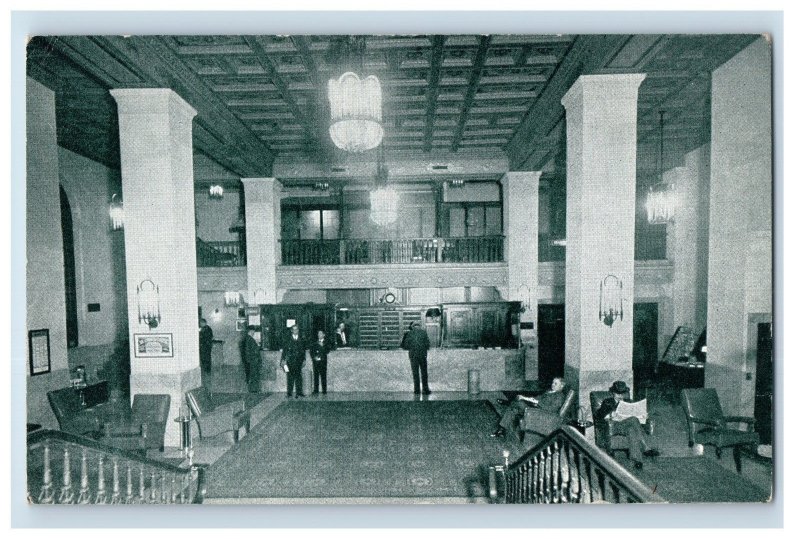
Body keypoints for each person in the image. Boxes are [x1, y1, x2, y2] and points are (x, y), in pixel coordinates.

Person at [596, 380, 660, 469]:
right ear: (613, 393)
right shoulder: (607, 402)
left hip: (627, 425)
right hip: (614, 426)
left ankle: (638, 460)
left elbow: (637, 417)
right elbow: (599, 416)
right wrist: (611, 415)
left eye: (622, 394)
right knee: (633, 419)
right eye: (618, 394)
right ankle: (645, 446)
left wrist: (643, 416)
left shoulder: (629, 402)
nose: (620, 396)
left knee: (631, 430)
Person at [491, 377, 566, 441]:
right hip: (534, 407)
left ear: (561, 386)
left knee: (518, 403)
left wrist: (535, 401)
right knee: (514, 409)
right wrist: (526, 398)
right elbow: (537, 398)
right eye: (553, 382)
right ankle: (501, 430)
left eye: (556, 383)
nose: (553, 384)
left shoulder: (559, 396)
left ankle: (507, 403)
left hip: (539, 412)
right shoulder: (550, 391)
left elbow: (552, 409)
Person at [401, 321, 431, 395]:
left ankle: (417, 390)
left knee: (415, 373)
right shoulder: (424, 333)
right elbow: (428, 345)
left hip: (413, 356)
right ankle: (425, 389)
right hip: (423, 355)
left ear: (412, 327)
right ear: (419, 326)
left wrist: (411, 347)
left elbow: (405, 346)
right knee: (424, 373)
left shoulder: (409, 333)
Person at [281, 324, 307, 398]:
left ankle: (299, 392)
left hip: (299, 360)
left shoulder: (301, 339)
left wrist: (304, 359)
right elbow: (285, 350)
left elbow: (303, 350)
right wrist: (283, 360)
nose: (295, 331)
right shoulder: (287, 339)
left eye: (297, 329)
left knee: (299, 377)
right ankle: (289, 393)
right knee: (290, 377)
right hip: (290, 360)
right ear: (291, 330)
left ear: (298, 330)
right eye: (294, 329)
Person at [309, 330, 331, 395]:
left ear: (324, 335)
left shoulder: (326, 342)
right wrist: (314, 357)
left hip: (323, 362)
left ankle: (324, 390)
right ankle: (316, 390)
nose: (319, 335)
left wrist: (322, 346)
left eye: (320, 333)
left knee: (323, 376)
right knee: (316, 376)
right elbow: (311, 351)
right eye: (318, 333)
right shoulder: (314, 342)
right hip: (316, 362)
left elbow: (327, 351)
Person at [240, 328, 261, 393]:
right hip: (253, 361)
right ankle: (253, 390)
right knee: (253, 375)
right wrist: (249, 360)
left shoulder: (247, 338)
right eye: (253, 331)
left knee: (252, 375)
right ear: (251, 331)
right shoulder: (250, 339)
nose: (254, 333)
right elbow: (248, 351)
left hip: (251, 361)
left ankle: (253, 389)